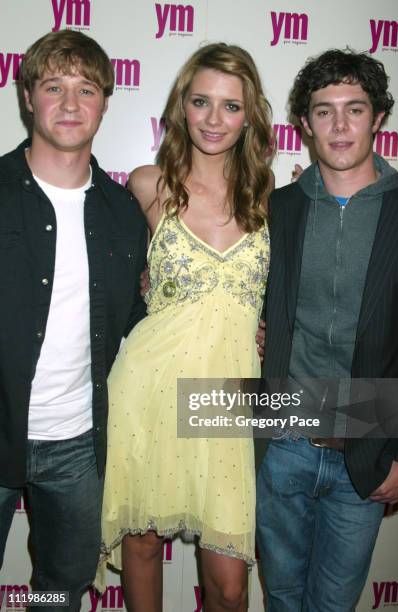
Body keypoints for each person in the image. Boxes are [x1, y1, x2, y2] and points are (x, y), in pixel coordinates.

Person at [97, 43, 273, 611]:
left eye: (230, 106)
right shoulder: (149, 184)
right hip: (148, 389)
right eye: (201, 102)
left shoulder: (272, 196)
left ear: (250, 116)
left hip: (226, 401)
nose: (214, 119)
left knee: (228, 586)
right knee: (142, 547)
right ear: (181, 107)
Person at [256, 49, 398, 611]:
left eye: (354, 109)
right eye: (324, 111)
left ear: (379, 118)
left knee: (334, 604)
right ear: (304, 124)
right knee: (281, 596)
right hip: (283, 443)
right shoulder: (277, 208)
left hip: (370, 447)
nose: (339, 125)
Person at [0, 30, 147, 611]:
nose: (69, 103)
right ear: (28, 97)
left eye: (85, 89)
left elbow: (138, 321)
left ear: (105, 103)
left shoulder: (123, 214)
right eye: (53, 86)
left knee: (58, 594)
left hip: (79, 447)